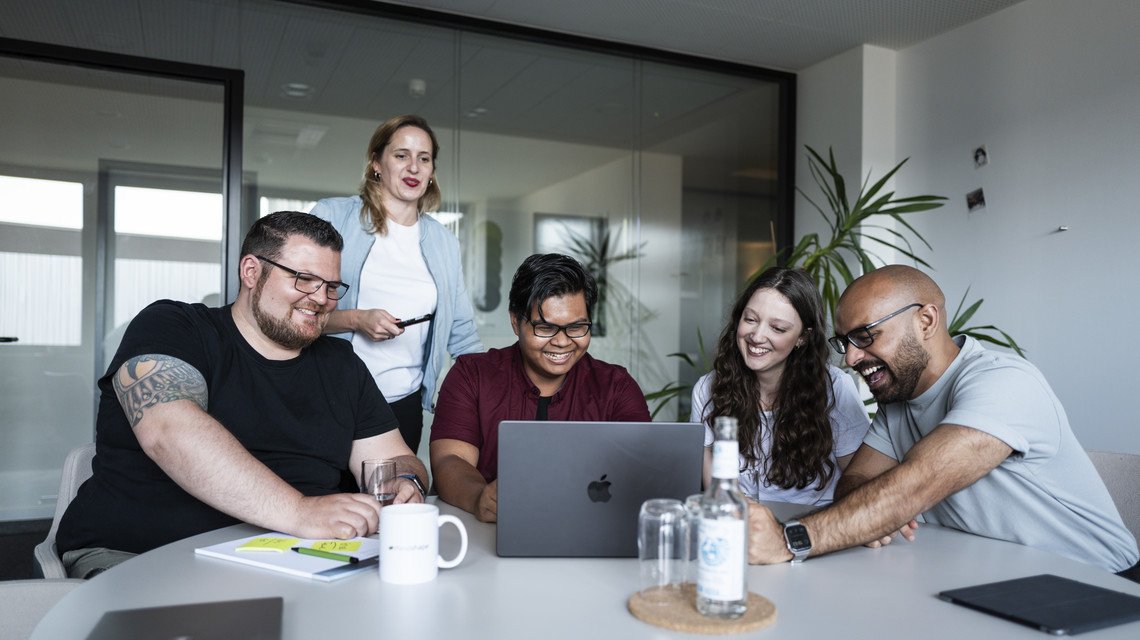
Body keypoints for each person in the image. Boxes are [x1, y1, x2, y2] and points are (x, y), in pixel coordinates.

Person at [57, 212, 427, 579]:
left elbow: (393, 457)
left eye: (332, 287)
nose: (322, 299)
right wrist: (300, 511)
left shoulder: (341, 365)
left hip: (298, 559)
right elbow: (169, 433)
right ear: (251, 271)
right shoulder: (174, 327)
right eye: (304, 280)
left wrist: (404, 483)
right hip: (141, 554)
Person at [745, 265, 1139, 577]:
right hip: (989, 575)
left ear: (927, 321)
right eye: (845, 342)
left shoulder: (1004, 383)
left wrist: (789, 539)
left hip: (1098, 581)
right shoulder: (899, 402)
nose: (850, 358)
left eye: (865, 336)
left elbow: (915, 485)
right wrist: (879, 510)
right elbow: (855, 483)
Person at [429, 253, 651, 522]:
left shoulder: (616, 386)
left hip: (592, 531)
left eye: (577, 327)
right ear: (515, 322)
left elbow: (641, 468)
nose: (562, 342)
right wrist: (479, 498)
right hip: (488, 532)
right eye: (545, 327)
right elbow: (449, 460)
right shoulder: (471, 375)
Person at [311, 114, 483, 454]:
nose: (414, 168)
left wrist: (491, 396)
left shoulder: (443, 242)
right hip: (328, 396)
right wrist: (356, 320)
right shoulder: (332, 216)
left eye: (424, 158)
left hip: (401, 406)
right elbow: (289, 309)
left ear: (432, 171)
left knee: (394, 504)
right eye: (401, 155)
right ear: (377, 163)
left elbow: (462, 333)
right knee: (326, 503)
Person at [691, 267, 868, 504]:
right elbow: (718, 495)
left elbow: (861, 480)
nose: (757, 336)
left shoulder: (835, 388)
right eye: (751, 319)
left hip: (815, 531)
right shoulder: (708, 388)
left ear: (802, 337)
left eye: (777, 328)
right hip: (744, 527)